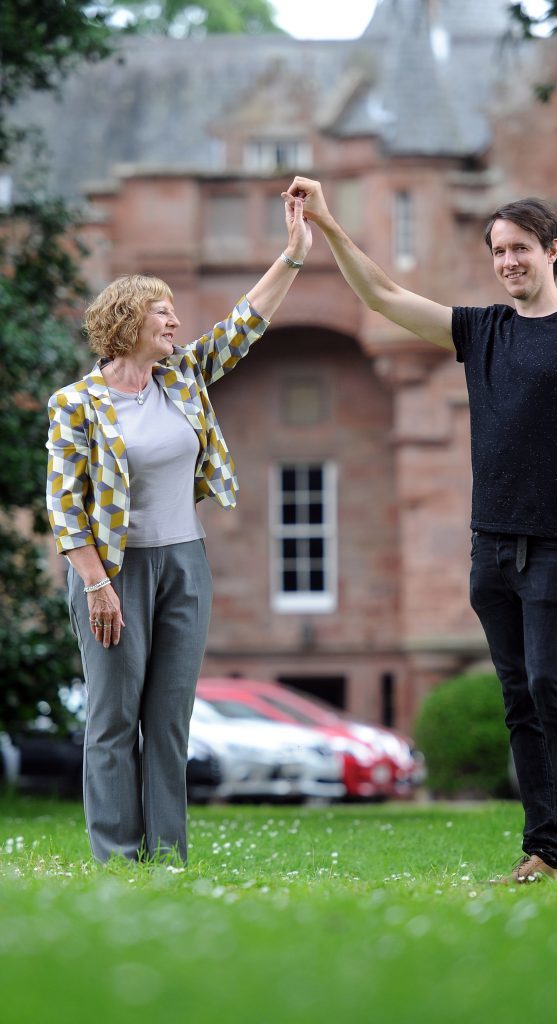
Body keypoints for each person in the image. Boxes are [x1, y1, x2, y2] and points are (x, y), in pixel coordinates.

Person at [282, 177, 557, 883]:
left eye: (520, 249)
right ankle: (541, 845)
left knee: (550, 683)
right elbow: (383, 296)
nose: (507, 261)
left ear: (552, 250)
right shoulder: (482, 330)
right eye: (497, 251)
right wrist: (326, 223)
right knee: (517, 695)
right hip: (491, 545)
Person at [46, 198, 312, 863]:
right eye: (161, 312)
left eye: (173, 312)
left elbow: (246, 323)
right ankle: (115, 854)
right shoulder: (76, 405)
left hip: (184, 565)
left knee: (168, 721)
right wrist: (97, 584)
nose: (174, 320)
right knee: (112, 719)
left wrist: (294, 253)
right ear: (127, 321)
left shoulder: (183, 378)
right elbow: (64, 506)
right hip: (110, 572)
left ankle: (166, 853)